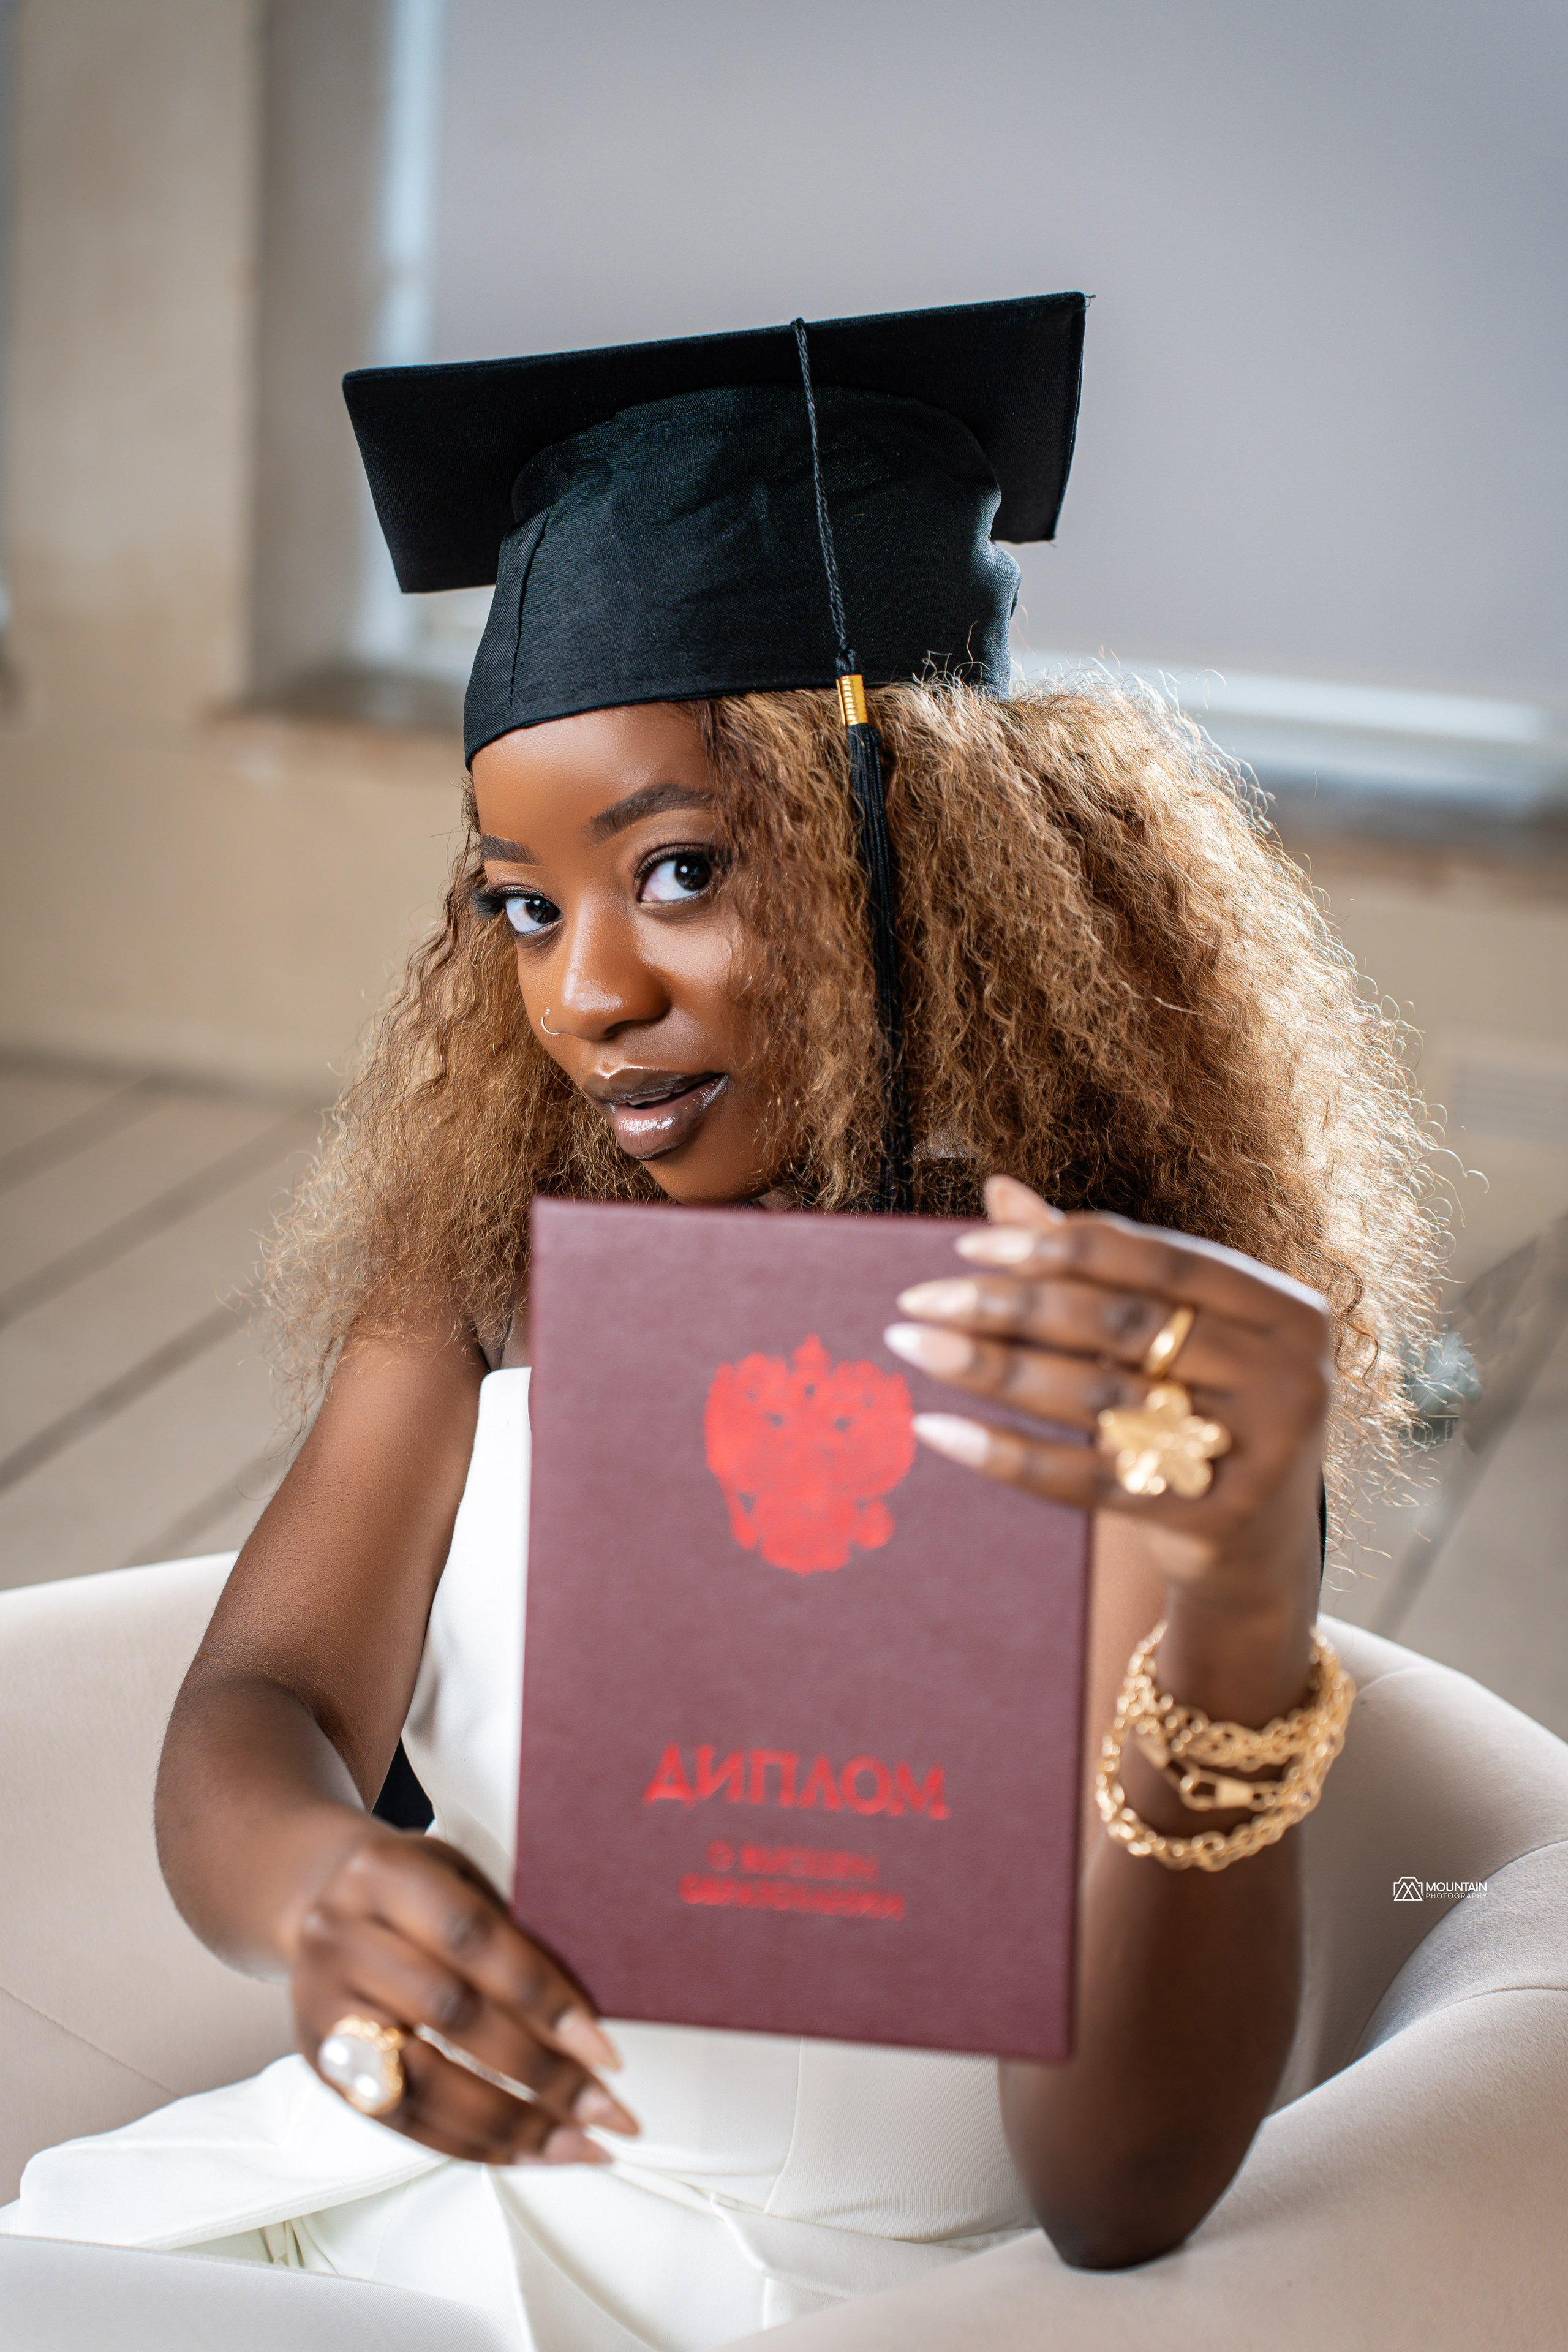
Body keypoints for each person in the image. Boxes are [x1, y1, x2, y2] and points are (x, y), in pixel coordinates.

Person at [1, 298, 1437, 2347]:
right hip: (407, 2217)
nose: (587, 987)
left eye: (678, 870)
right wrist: (316, 1889)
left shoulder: (1135, 1367)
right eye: (523, 900)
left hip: (859, 2306)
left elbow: (1118, 2199)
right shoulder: (498, 1265)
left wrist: (1226, 1601)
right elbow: (263, 1706)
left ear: (930, 865)